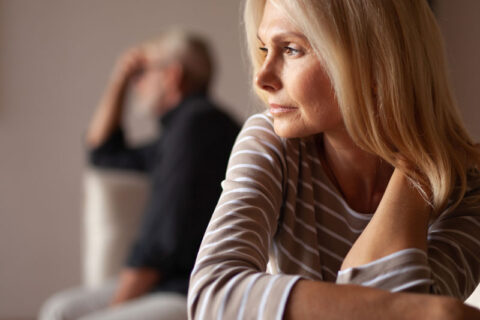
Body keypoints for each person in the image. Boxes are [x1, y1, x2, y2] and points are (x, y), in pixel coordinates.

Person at [188, 1, 480, 319]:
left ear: (374, 61)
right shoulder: (273, 143)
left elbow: (394, 300)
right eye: (264, 48)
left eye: (291, 49)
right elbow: (212, 295)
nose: (262, 77)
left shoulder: (468, 186)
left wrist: (418, 168)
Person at [40, 30, 239, 320]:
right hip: (164, 285)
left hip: (193, 290)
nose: (138, 84)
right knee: (58, 310)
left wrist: (120, 305)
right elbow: (102, 153)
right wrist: (119, 79)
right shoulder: (181, 131)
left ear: (172, 75)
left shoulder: (197, 128)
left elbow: (159, 241)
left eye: (142, 73)